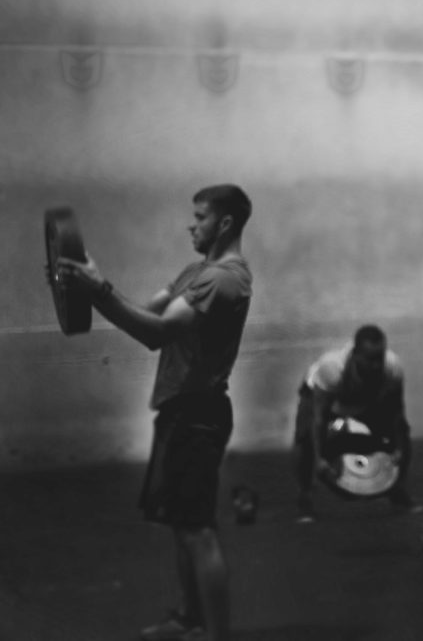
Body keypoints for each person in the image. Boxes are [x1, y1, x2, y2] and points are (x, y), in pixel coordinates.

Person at [56, 184, 253, 641]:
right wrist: (88, 284)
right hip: (180, 411)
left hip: (198, 414)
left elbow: (156, 333)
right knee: (182, 527)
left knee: (199, 531)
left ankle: (216, 634)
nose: (191, 223)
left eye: (200, 216)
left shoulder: (223, 280)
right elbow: (142, 312)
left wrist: (99, 290)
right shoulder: (194, 272)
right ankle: (189, 618)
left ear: (224, 223)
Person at [292, 324, 423, 521]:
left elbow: (397, 414)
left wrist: (398, 449)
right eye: (370, 359)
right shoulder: (332, 368)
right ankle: (305, 497)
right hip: (321, 394)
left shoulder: (392, 368)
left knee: (402, 433)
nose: (376, 365)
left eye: (379, 358)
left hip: (363, 398)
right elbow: (320, 418)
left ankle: (397, 491)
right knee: (304, 437)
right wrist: (320, 459)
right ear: (355, 354)